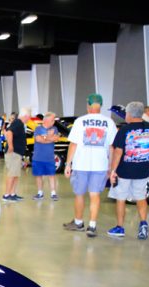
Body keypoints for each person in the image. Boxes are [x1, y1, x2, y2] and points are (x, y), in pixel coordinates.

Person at [63, 93, 117, 237]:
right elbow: (112, 147)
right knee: (95, 195)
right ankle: (92, 226)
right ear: (101, 106)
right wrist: (111, 167)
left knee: (79, 194)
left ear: (88, 105)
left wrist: (68, 164)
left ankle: (78, 222)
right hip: (100, 165)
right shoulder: (109, 123)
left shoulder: (80, 121)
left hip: (81, 164)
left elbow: (73, 144)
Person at [106, 101, 149, 239]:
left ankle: (120, 228)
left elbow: (118, 152)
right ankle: (143, 225)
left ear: (129, 114)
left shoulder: (124, 130)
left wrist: (112, 171)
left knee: (121, 198)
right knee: (141, 197)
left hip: (123, 172)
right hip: (143, 171)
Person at [2, 108, 30, 201]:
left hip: (17, 153)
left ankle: (12, 193)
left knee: (16, 174)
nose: (29, 119)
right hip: (13, 153)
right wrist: (10, 146)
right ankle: (6, 195)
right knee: (12, 174)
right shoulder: (18, 122)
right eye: (29, 117)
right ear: (25, 116)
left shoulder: (20, 124)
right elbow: (9, 132)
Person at [32, 112, 60, 200]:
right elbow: (38, 139)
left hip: (49, 158)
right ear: (46, 120)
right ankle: (40, 193)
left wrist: (45, 138)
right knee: (38, 175)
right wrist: (49, 137)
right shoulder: (38, 129)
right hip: (38, 157)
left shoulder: (54, 129)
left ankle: (53, 193)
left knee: (51, 175)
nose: (54, 122)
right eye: (52, 120)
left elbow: (56, 138)